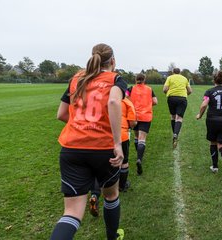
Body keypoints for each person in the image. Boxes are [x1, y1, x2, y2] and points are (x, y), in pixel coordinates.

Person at [52, 43, 127, 240]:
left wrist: (81, 124)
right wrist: (118, 143)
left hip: (72, 147)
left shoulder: (77, 78)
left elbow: (61, 114)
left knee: (72, 213)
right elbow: (113, 102)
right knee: (111, 195)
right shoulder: (115, 79)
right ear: (112, 61)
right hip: (102, 147)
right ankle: (112, 237)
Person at [88, 97, 137, 217]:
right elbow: (133, 122)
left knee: (98, 166)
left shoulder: (100, 99)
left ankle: (94, 194)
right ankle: (122, 186)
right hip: (121, 135)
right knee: (123, 162)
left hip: (100, 135)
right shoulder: (126, 101)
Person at [196, 70, 222, 178]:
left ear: (213, 79)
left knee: (213, 143)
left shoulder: (209, 91)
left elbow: (204, 105)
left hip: (212, 121)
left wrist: (200, 115)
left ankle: (215, 167)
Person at [126, 73, 157, 175]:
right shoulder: (149, 89)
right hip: (145, 116)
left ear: (135, 79)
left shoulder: (131, 88)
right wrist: (148, 103)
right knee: (142, 138)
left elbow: (124, 97)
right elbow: (155, 101)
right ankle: (139, 158)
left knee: (136, 136)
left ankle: (139, 155)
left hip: (133, 115)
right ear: (144, 80)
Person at [163, 68, 192, 148]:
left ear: (173, 72)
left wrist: (167, 93)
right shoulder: (184, 78)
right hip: (182, 99)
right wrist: (184, 94)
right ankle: (176, 134)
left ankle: (174, 134)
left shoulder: (170, 78)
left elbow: (165, 89)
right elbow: (190, 91)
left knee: (172, 116)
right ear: (180, 72)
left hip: (171, 98)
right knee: (179, 118)